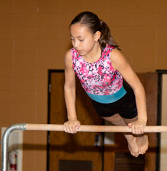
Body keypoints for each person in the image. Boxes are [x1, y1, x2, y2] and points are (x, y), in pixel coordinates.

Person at [63, 11, 148, 157]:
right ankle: (129, 137)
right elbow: (69, 87)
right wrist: (72, 118)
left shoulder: (112, 56)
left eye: (80, 39)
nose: (76, 45)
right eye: (72, 39)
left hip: (124, 98)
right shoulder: (71, 57)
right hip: (99, 103)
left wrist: (142, 120)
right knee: (118, 122)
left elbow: (137, 86)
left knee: (132, 124)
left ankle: (140, 136)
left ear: (96, 36)